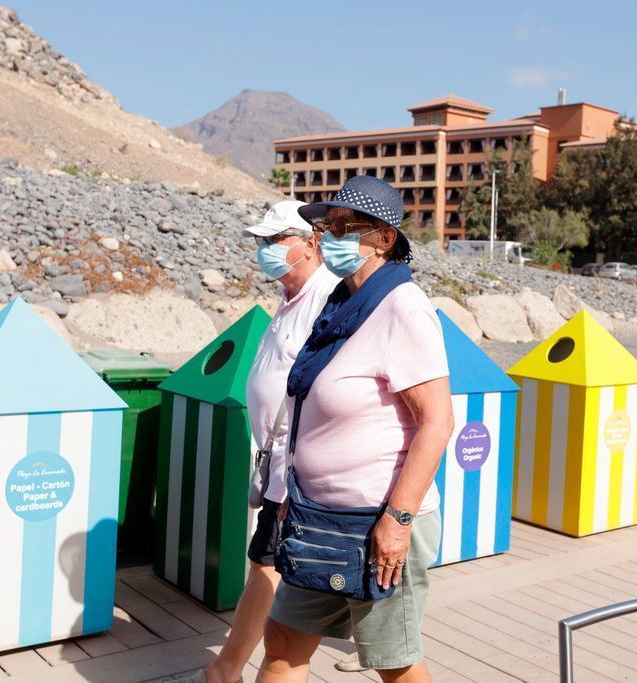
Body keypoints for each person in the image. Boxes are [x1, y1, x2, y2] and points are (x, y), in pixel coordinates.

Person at [258, 176, 453, 683]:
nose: (330, 237)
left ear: (384, 238)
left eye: (346, 227)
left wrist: (399, 521)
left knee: (394, 664)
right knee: (280, 640)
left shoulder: (403, 307)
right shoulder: (342, 302)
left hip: (375, 524)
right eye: (327, 226)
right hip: (317, 515)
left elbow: (436, 421)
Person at [185, 200, 339, 683]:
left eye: (275, 240)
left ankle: (226, 669)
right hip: (279, 469)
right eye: (261, 241)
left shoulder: (326, 297)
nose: (264, 250)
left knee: (273, 580)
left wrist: (300, 478)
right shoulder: (290, 297)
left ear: (310, 243)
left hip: (298, 475)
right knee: (264, 568)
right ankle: (226, 668)